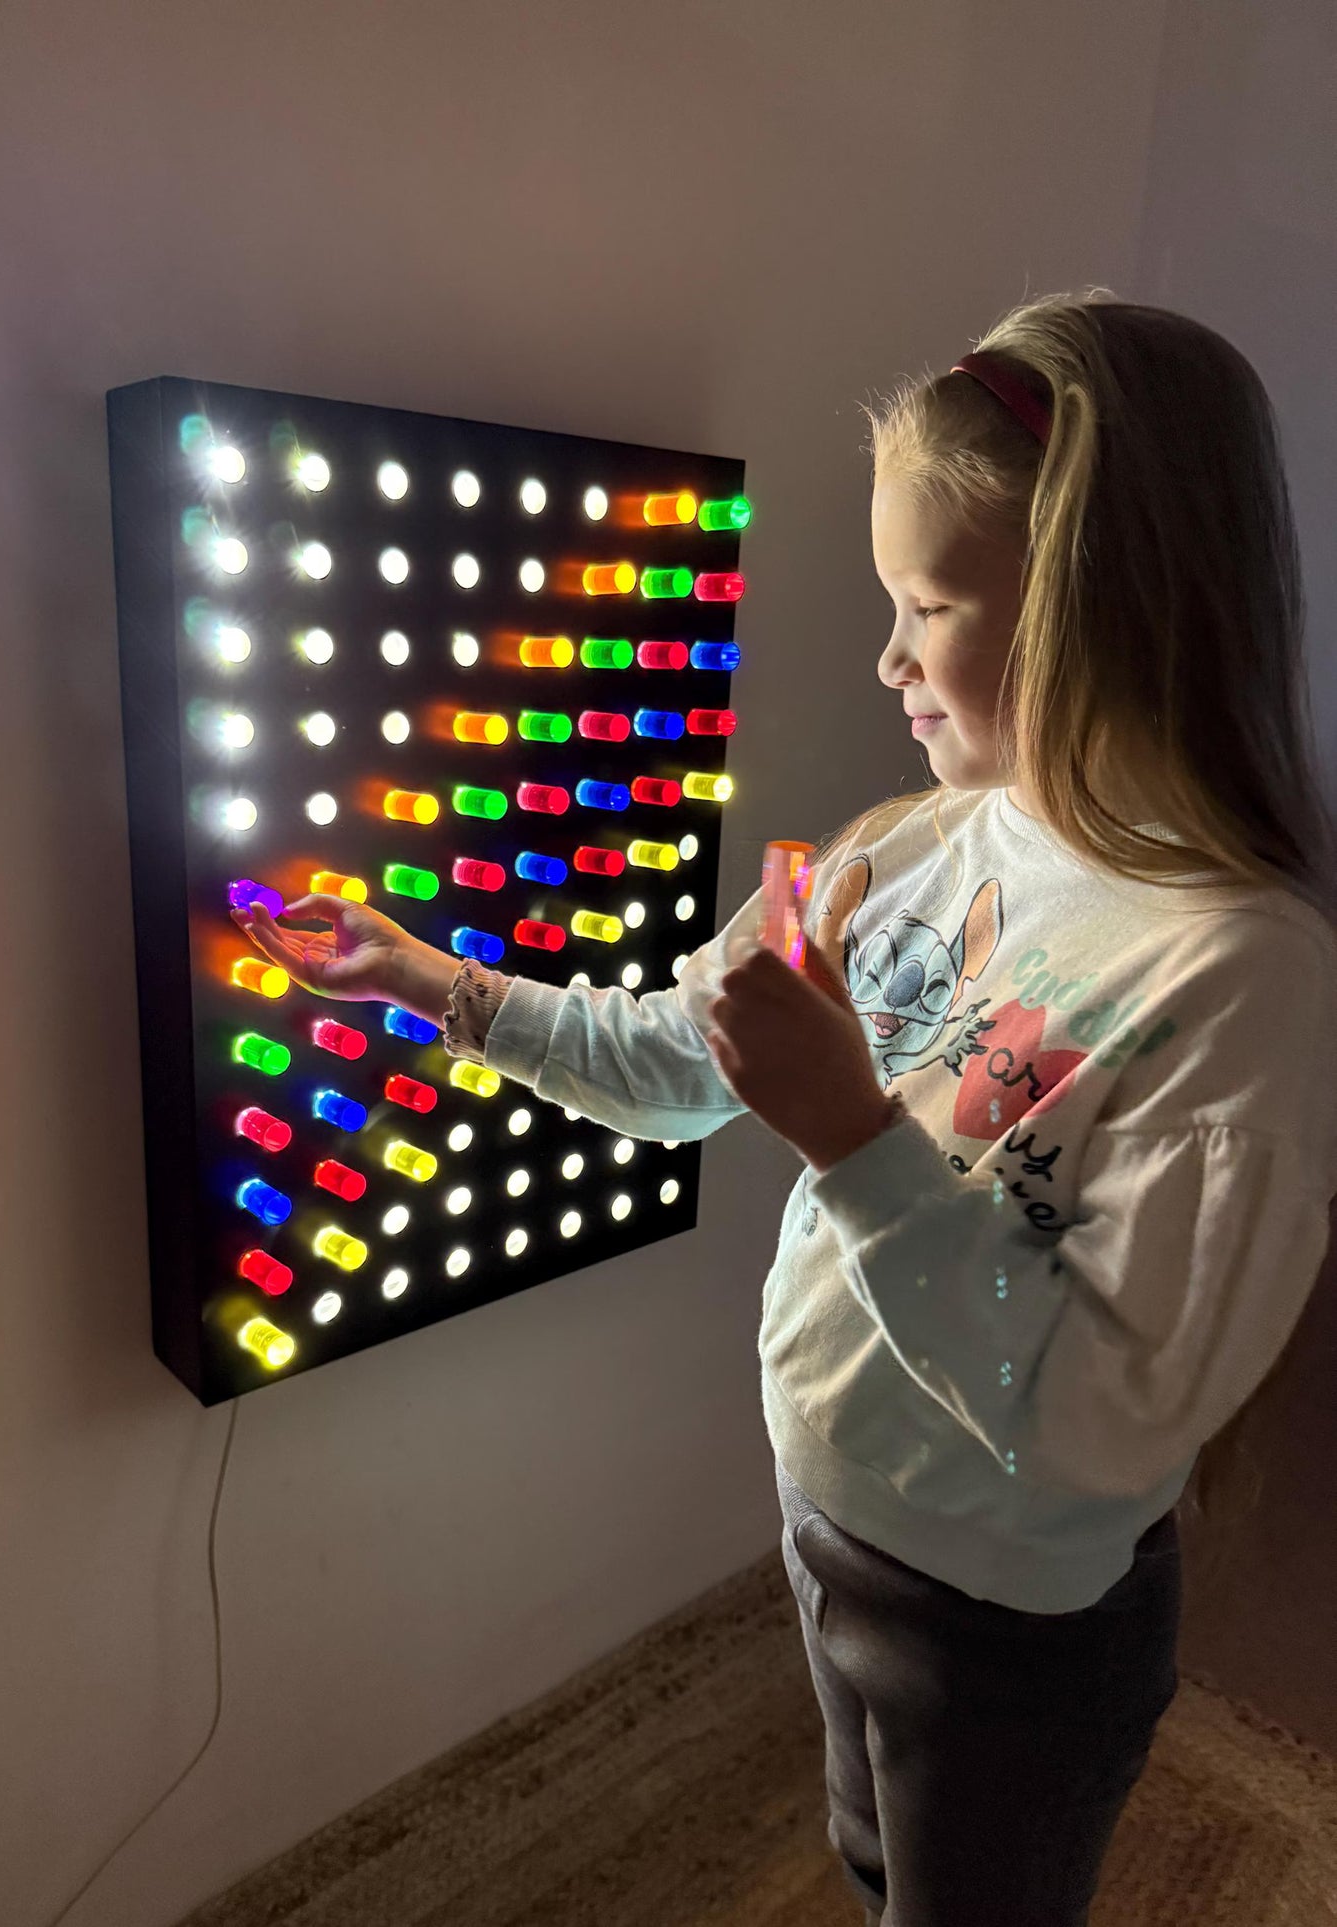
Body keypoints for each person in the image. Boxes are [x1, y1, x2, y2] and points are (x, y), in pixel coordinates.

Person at [230, 290, 1337, 1925]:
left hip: (1014, 1624)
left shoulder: (1237, 981)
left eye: (927, 604)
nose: (884, 658)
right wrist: (430, 982)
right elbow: (676, 1063)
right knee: (877, 1864)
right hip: (834, 1534)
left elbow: (1106, 1419)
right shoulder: (913, 848)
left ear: (1102, 612)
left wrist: (856, 1142)